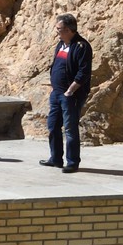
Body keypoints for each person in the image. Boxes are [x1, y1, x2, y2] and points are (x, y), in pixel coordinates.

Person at [42, 13, 93, 173]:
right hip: (56, 93)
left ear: (70, 30)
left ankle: (72, 162)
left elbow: (83, 73)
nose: (57, 32)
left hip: (70, 95)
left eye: (60, 29)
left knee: (70, 129)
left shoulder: (81, 47)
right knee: (53, 126)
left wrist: (70, 91)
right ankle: (56, 158)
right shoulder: (60, 45)